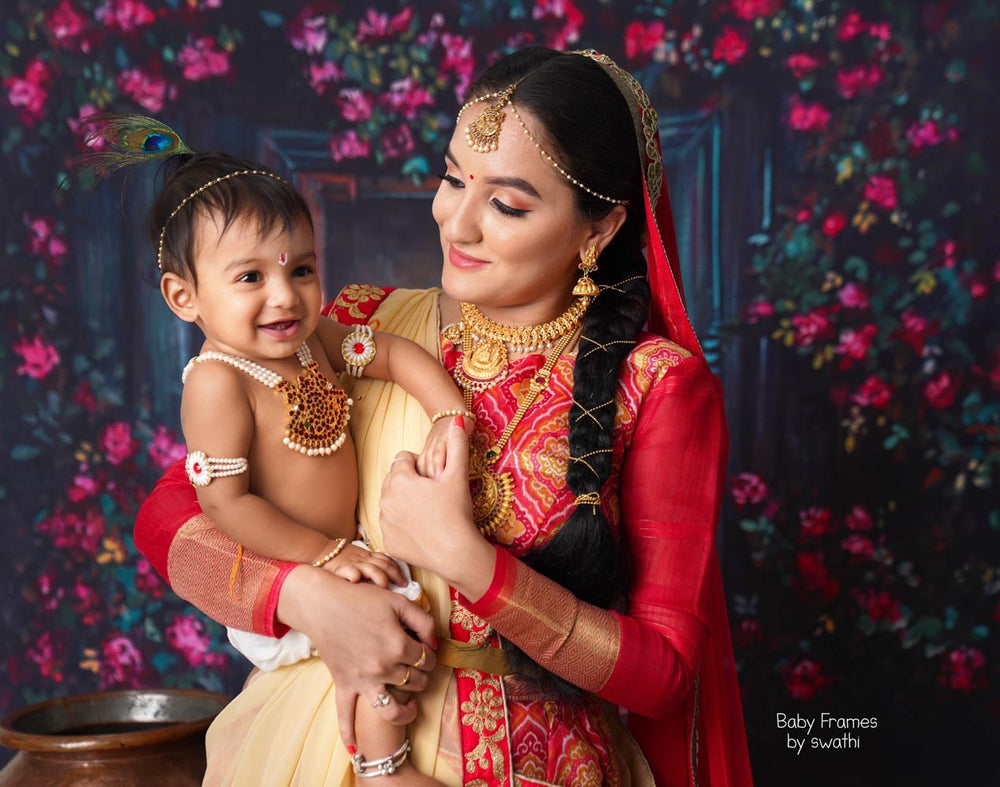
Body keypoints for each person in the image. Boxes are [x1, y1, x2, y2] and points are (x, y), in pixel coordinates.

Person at [135, 47, 754, 785]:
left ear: (599, 229)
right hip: (324, 747)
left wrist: (471, 562)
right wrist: (311, 597)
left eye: (506, 203)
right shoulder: (359, 324)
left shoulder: (655, 385)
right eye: (453, 178)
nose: (455, 224)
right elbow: (173, 512)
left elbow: (666, 675)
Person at [137, 146, 473, 784]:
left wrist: (447, 414)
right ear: (184, 296)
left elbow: (394, 355)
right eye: (250, 278)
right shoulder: (218, 382)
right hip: (297, 562)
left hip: (345, 547)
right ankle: (382, 767)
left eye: (302, 270)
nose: (285, 297)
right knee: (385, 617)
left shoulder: (315, 343)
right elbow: (226, 505)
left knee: (403, 618)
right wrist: (322, 556)